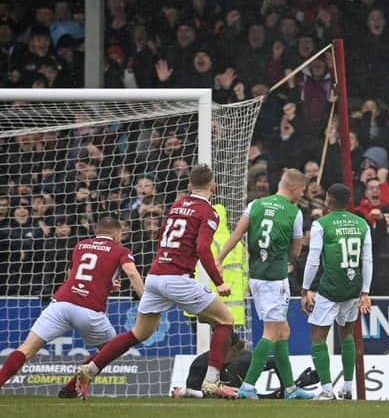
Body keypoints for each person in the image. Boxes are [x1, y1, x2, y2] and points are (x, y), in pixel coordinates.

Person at [75, 165, 237, 399]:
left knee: (139, 332)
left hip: (155, 275)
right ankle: (212, 382)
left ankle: (90, 368)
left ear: (189, 185)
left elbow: (162, 237)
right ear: (213, 185)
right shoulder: (209, 212)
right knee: (226, 319)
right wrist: (218, 281)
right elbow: (202, 248)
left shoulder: (176, 205)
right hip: (177, 278)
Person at [0, 216, 144, 397]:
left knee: (26, 348)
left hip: (61, 304)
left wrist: (106, 284)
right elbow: (131, 273)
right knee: (111, 350)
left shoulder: (80, 245)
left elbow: (75, 274)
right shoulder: (121, 250)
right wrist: (146, 300)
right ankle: (69, 389)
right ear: (116, 233)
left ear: (96, 231)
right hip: (89, 310)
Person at [217, 168, 314, 400]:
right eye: (302, 190)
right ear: (294, 188)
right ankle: (248, 385)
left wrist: (219, 259)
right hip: (275, 278)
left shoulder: (255, 205)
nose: (302, 194)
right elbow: (297, 250)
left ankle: (290, 388)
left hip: (256, 277)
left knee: (284, 331)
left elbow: (237, 234)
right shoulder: (294, 212)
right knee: (272, 332)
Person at [300, 183, 373, 400]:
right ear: (348, 202)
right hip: (353, 288)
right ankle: (348, 387)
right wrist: (365, 291)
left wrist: (305, 289)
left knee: (318, 338)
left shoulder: (321, 224)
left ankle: (326, 389)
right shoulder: (362, 224)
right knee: (348, 334)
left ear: (329, 201)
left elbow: (313, 260)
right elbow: (367, 259)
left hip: (329, 288)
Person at [171, 332, 320, 399]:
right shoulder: (200, 364)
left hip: (236, 387)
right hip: (230, 391)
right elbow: (195, 390)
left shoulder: (242, 361)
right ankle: (294, 387)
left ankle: (290, 389)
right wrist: (186, 391)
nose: (235, 357)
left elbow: (274, 361)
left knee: (244, 395)